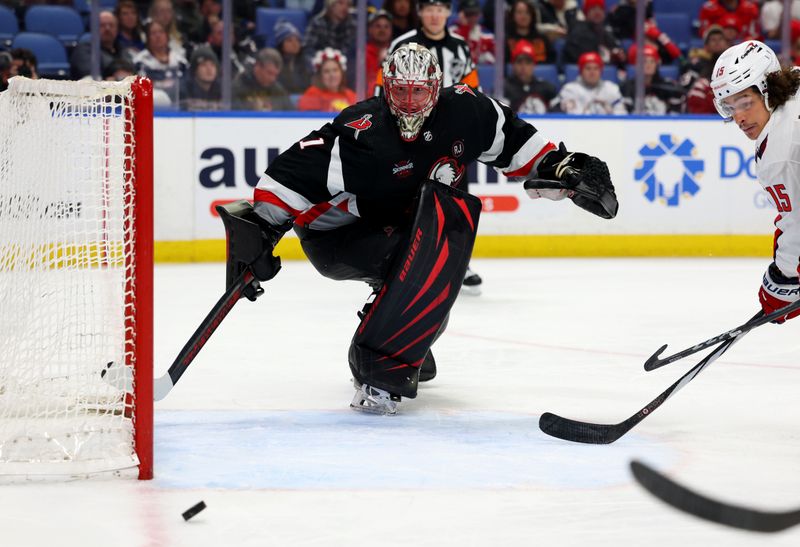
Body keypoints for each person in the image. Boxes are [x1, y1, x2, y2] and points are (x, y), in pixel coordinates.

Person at [228, 43, 617, 415]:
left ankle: (394, 336)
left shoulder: (467, 111)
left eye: (419, 92)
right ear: (386, 88)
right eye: (401, 91)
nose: (410, 102)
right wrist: (259, 229)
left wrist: (563, 168)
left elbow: (517, 143)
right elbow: (291, 175)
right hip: (336, 237)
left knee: (436, 288)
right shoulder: (362, 131)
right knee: (421, 262)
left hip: (395, 226)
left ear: (436, 88)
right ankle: (374, 366)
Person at [378, 0, 481, 292]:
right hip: (409, 130)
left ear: (449, 13)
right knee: (408, 196)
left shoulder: (461, 47)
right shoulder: (403, 43)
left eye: (441, 9)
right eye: (429, 9)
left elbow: (472, 91)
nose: (435, 15)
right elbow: (383, 88)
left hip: (450, 134)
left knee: (456, 197)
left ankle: (458, 262)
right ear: (420, 12)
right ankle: (402, 260)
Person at [709, 40, 800, 323]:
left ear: (768, 88)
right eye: (729, 106)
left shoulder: (779, 153)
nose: (738, 117)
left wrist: (781, 284)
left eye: (745, 102)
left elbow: (796, 226)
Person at [552, 51, 625, 114]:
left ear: (601, 71)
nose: (592, 72)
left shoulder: (611, 89)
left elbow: (622, 114)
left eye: (596, 68)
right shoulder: (569, 90)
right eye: (588, 68)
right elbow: (556, 111)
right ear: (581, 71)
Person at [502, 39, 557, 113]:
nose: (523, 67)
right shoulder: (504, 88)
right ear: (513, 65)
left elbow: (558, 113)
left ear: (534, 65)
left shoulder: (546, 88)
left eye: (528, 63)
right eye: (519, 62)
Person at [70, 10, 125, 80]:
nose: (107, 28)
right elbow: (91, 78)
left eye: (111, 25)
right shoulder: (84, 50)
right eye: (102, 25)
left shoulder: (122, 49)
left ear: (117, 29)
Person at [297, 47, 356, 112]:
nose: (332, 75)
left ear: (341, 73)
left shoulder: (350, 95)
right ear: (320, 76)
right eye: (326, 71)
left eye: (335, 70)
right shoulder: (312, 94)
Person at [448, 0, 495, 65]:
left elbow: (498, 56)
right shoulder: (452, 31)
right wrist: (465, 27)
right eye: (468, 14)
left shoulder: (486, 34)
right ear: (461, 14)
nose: (472, 18)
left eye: (475, 14)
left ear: (479, 14)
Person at [275, 20, 313, 95]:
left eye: (298, 40)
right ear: (281, 44)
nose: (295, 44)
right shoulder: (274, 63)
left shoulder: (307, 62)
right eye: (289, 40)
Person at [179, 45, 222, 111]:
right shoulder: (183, 91)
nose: (209, 69)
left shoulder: (223, 89)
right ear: (194, 70)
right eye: (203, 65)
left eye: (213, 65)